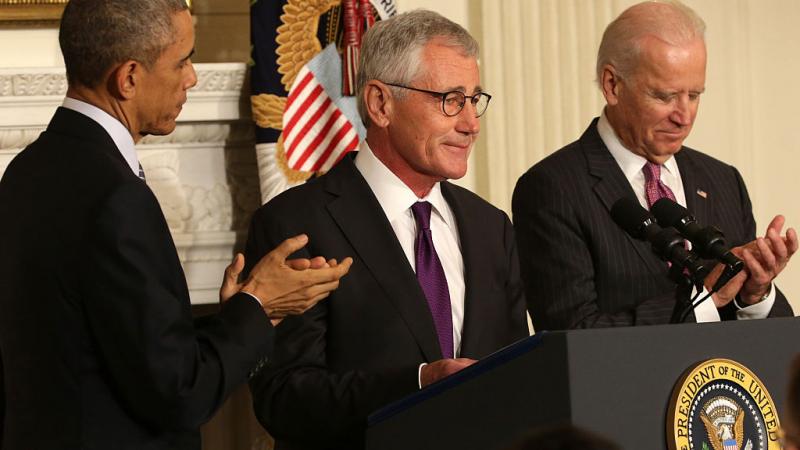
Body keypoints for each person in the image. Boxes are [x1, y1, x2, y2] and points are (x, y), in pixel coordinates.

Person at [0, 1, 352, 449]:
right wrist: (259, 300)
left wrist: (240, 314)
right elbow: (179, 394)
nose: (192, 77)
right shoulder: (114, 195)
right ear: (128, 78)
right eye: (182, 60)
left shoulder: (28, 170)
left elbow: (122, 350)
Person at [244, 9, 528, 450]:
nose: (471, 123)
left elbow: (519, 376)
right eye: (450, 99)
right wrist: (419, 383)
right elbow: (284, 398)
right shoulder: (295, 225)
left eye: (475, 99)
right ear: (380, 104)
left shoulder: (492, 227)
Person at [512, 0, 797, 330]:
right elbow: (571, 334)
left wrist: (755, 293)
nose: (684, 116)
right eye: (665, 96)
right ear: (612, 85)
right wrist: (702, 301)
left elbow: (773, 341)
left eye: (694, 95)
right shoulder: (553, 188)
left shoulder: (723, 180)